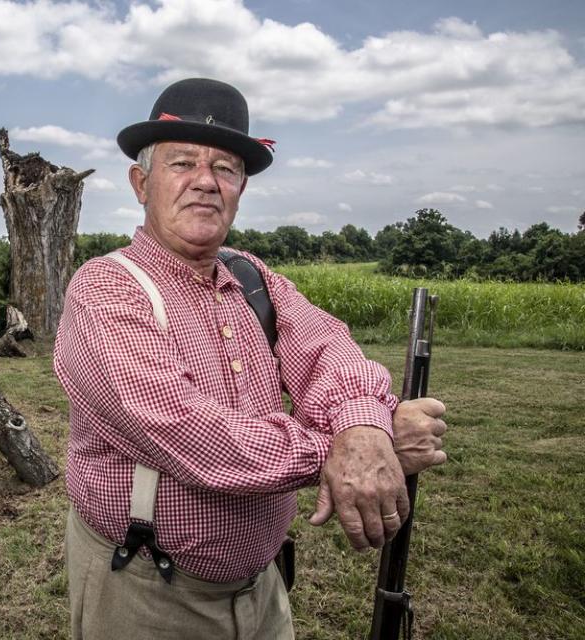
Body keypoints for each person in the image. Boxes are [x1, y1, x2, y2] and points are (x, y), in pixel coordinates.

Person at [53, 78, 448, 639]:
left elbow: (327, 347)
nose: (205, 183)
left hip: (262, 588)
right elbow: (188, 431)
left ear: (240, 189)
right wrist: (338, 452)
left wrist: (363, 427)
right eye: (182, 163)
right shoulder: (106, 290)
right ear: (141, 183)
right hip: (146, 590)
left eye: (226, 169)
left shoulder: (250, 275)